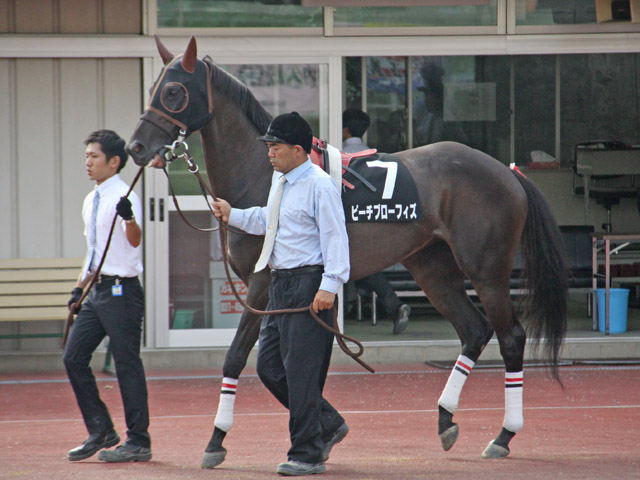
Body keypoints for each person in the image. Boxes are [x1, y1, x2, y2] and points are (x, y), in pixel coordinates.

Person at [212, 112, 350, 476]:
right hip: (280, 284)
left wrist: (329, 286)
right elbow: (267, 220)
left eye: (276, 147)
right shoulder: (281, 180)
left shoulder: (320, 185)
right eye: (269, 146)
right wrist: (232, 215)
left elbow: (335, 237)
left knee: (301, 374)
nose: (269, 153)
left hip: (309, 285)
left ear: (299, 150)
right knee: (270, 367)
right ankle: (328, 423)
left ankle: (307, 455)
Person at [63, 129, 151, 463]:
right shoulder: (92, 199)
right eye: (86, 156)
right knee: (73, 357)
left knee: (126, 365)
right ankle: (101, 430)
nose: (88, 162)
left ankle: (139, 441)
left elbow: (135, 240)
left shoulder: (125, 196)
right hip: (97, 292)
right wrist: (78, 288)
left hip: (122, 291)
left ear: (114, 162)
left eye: (94, 156)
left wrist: (128, 217)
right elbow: (93, 250)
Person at [342, 108, 411, 335]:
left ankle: (385, 304)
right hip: (373, 217)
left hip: (347, 220)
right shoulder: (373, 154)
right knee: (360, 267)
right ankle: (390, 304)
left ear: (345, 130)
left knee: (352, 264)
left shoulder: (340, 156)